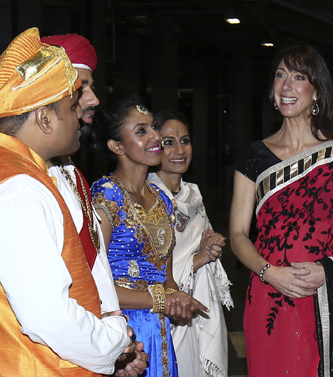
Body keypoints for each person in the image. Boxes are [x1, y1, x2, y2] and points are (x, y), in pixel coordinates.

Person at [0, 27, 146, 375]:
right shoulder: (19, 188)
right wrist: (115, 341)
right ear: (43, 118)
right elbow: (48, 317)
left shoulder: (2, 167)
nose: (79, 115)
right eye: (71, 107)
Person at [229, 44, 333, 376]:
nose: (287, 86)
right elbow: (237, 234)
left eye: (298, 76)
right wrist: (269, 273)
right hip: (272, 293)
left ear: (317, 90)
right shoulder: (254, 157)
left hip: (330, 290)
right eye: (280, 76)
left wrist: (331, 269)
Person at [91, 91, 209, 377]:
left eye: (153, 127)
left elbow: (164, 279)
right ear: (116, 146)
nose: (155, 136)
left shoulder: (161, 198)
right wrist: (162, 300)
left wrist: (178, 299)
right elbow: (96, 286)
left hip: (160, 333)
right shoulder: (105, 196)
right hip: (126, 335)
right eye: (141, 131)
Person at [148, 109, 234, 377]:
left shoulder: (193, 194)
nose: (179, 150)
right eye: (168, 142)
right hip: (163, 312)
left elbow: (202, 245)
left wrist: (211, 249)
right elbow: (150, 266)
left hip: (198, 303)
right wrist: (197, 260)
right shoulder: (146, 197)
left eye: (184, 141)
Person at [41, 33, 120, 315]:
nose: (94, 99)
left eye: (91, 87)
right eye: (80, 87)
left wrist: (113, 323)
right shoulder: (28, 180)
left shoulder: (72, 173)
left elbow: (96, 264)